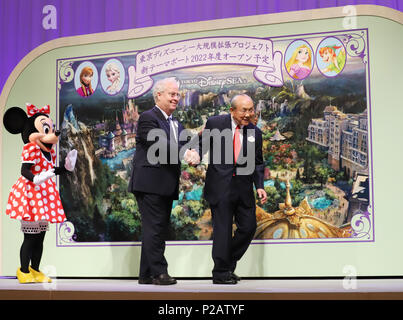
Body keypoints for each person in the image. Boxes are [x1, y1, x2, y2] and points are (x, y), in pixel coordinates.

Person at [128, 77, 199, 285]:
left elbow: (189, 143)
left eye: (178, 94)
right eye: (172, 94)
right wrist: (184, 154)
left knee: (156, 228)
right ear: (158, 95)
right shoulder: (148, 118)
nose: (176, 98)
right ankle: (159, 273)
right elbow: (159, 143)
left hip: (165, 184)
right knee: (155, 228)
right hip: (150, 183)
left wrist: (194, 153)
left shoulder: (176, 122)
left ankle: (146, 274)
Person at [197, 94, 267, 284]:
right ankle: (221, 273)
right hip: (220, 187)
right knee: (223, 231)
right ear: (232, 111)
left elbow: (258, 164)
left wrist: (259, 186)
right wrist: (194, 156)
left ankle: (226, 263)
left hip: (244, 190)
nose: (248, 114)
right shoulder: (215, 123)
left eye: (251, 109)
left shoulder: (255, 133)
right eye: (244, 110)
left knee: (248, 228)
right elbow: (201, 145)